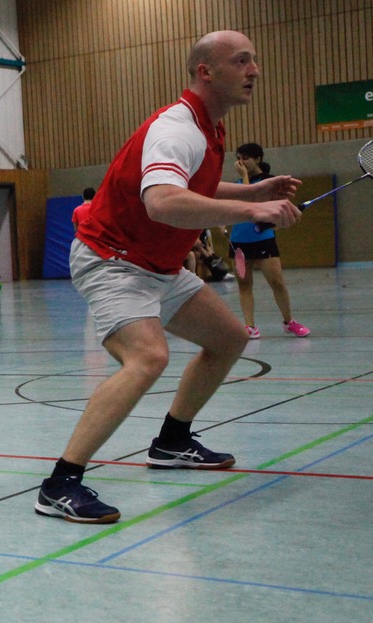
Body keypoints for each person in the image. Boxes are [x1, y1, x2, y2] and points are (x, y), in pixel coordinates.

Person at [35, 30, 301, 524]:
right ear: (207, 72)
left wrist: (253, 191)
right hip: (112, 259)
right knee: (147, 357)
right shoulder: (177, 127)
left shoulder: (209, 130)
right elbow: (163, 201)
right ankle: (60, 483)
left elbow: (188, 182)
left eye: (255, 61)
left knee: (227, 338)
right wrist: (257, 206)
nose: (254, 70)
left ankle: (173, 440)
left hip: (158, 265)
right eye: (241, 61)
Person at [228, 143, 311, 338]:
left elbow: (251, 201)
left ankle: (289, 321)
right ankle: (249, 326)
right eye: (238, 157)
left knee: (277, 282)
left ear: (258, 159)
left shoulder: (269, 183)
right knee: (244, 285)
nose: (241, 162)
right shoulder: (239, 183)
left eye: (245, 157)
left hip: (263, 240)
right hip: (239, 241)